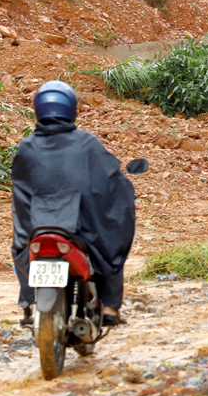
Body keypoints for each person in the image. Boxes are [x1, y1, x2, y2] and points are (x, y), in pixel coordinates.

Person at [11, 80, 136, 327]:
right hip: (78, 230)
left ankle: (28, 304)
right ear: (72, 108)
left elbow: (20, 193)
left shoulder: (25, 148)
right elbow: (110, 180)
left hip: (36, 229)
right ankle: (109, 306)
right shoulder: (87, 144)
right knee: (109, 238)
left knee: (21, 243)